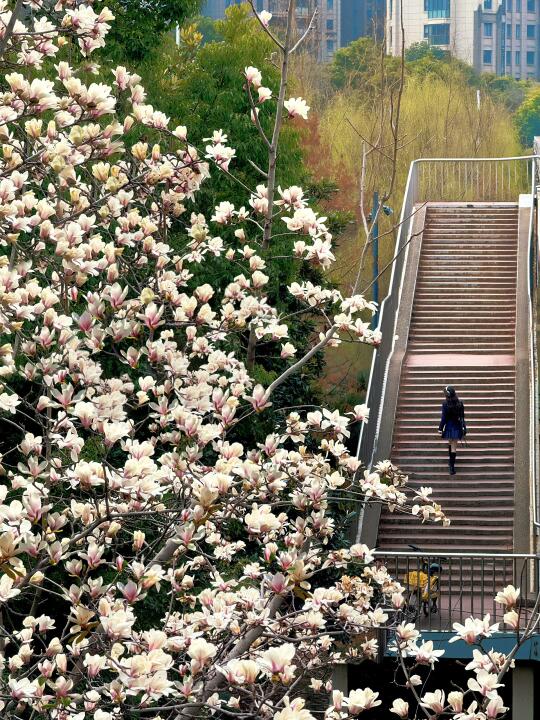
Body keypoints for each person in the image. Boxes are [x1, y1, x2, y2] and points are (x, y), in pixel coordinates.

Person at [438, 385, 466, 475]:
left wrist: (440, 428)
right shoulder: (460, 403)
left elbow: (444, 418)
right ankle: (451, 464)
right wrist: (464, 427)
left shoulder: (445, 404)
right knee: (453, 445)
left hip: (449, 426)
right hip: (457, 426)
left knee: (451, 444)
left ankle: (451, 466)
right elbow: (462, 417)